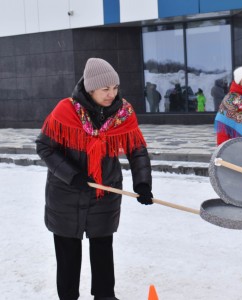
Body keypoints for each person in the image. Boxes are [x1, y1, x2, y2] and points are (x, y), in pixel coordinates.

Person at [36, 58, 154, 300]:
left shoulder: (123, 113)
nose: (112, 94)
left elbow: (137, 149)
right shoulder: (65, 111)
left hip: (105, 190)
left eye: (115, 88)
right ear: (90, 89)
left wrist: (142, 184)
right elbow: (45, 148)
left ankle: (104, 296)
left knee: (102, 247)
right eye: (105, 89)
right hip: (66, 193)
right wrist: (72, 175)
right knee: (68, 252)